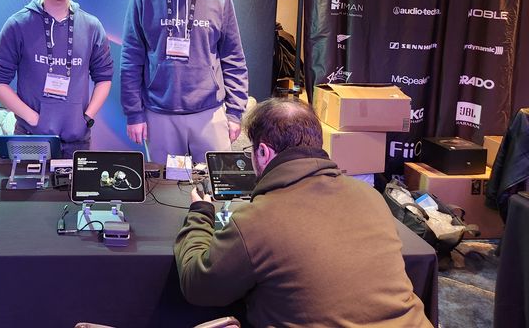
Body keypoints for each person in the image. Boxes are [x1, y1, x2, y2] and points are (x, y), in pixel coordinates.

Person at [174, 98, 432, 327]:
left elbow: (198, 287)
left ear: (263, 152)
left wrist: (200, 213)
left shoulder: (256, 220)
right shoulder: (370, 196)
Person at [120, 0, 248, 163]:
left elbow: (233, 58)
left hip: (210, 112)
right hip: (159, 113)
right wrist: (134, 113)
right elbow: (131, 58)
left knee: (213, 182)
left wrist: (234, 113)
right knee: (166, 184)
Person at [0, 0, 113, 158]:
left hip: (77, 142)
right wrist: (33, 118)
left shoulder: (91, 26)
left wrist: (87, 117)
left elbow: (104, 77)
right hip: (30, 139)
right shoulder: (18, 24)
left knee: (74, 183)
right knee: (27, 182)